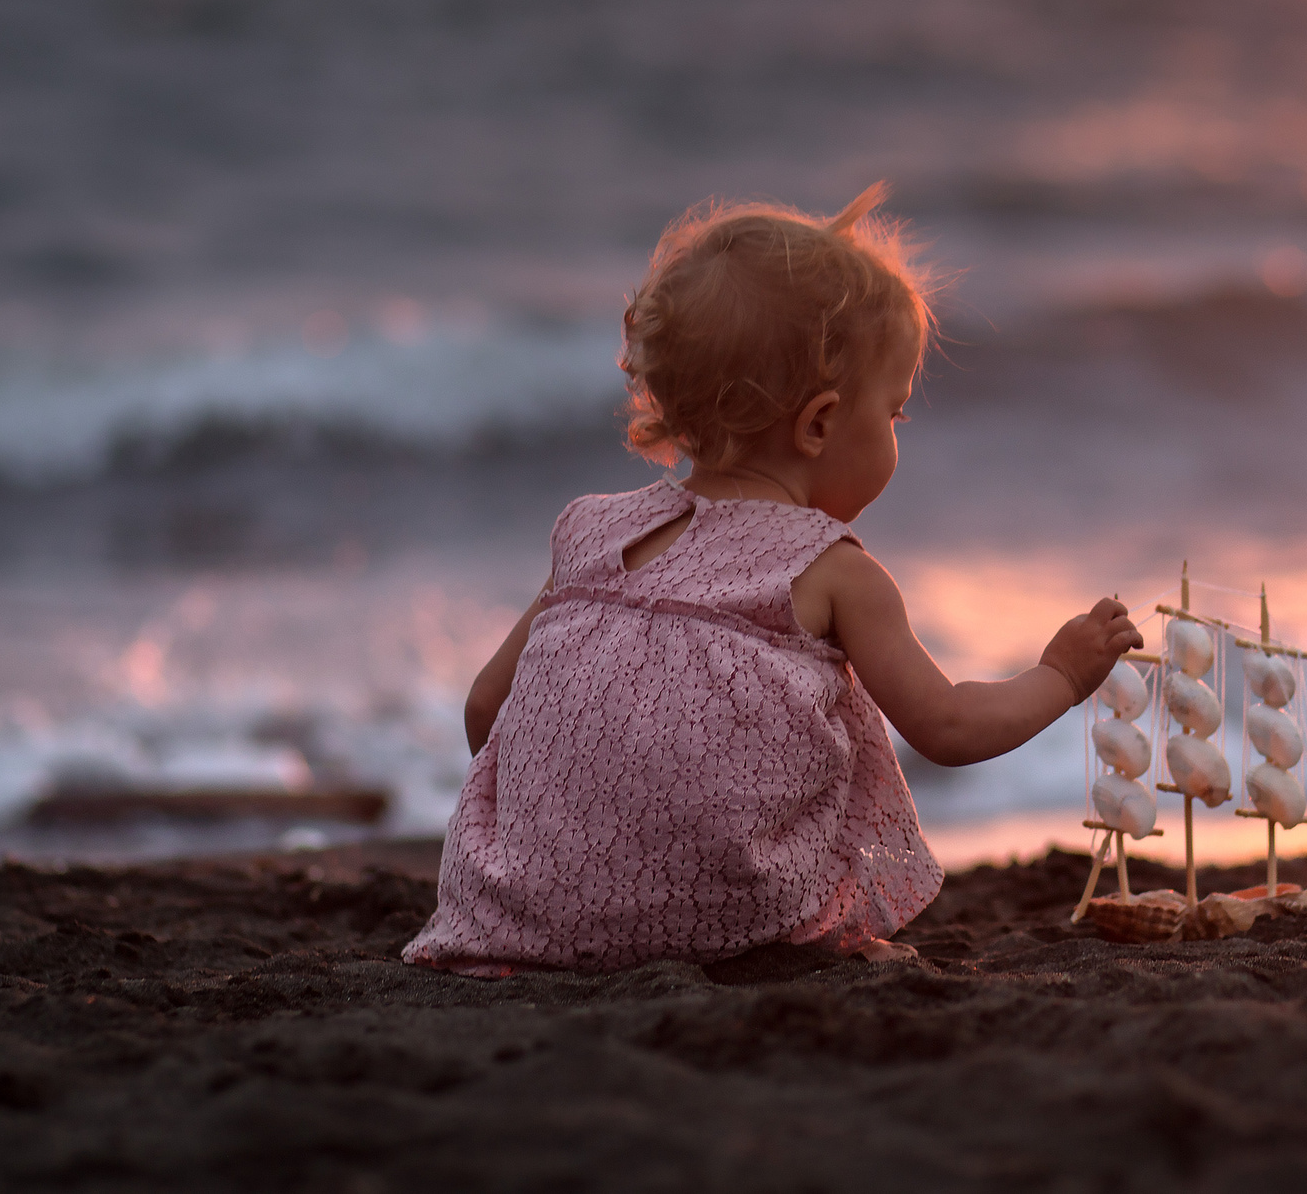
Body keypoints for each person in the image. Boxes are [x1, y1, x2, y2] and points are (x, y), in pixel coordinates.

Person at [402, 185, 1142, 974]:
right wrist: (1062, 673)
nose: (896, 435)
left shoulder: (589, 529)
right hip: (729, 919)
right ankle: (809, 933)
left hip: (527, 906)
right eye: (893, 415)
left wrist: (574, 830)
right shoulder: (831, 569)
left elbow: (488, 707)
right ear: (820, 423)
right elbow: (950, 727)